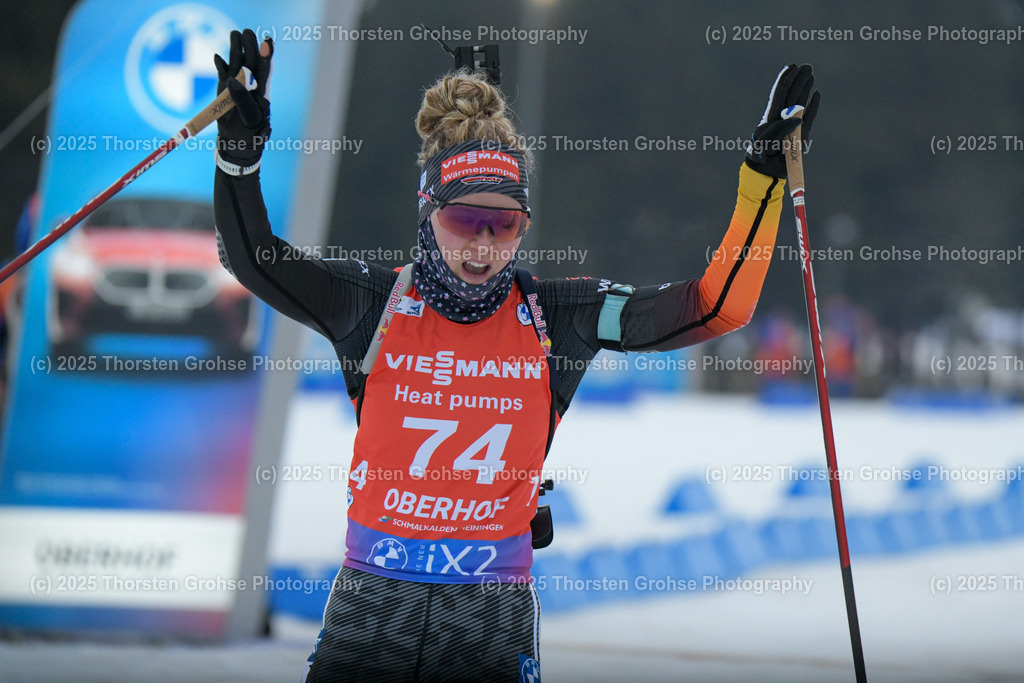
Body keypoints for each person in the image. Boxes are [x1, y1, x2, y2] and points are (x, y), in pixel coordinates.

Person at [213, 28, 819, 683]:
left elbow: (715, 306)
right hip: (372, 608)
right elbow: (254, 257)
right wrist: (238, 157)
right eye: (463, 221)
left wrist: (763, 181)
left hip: (489, 617)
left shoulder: (558, 316)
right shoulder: (371, 304)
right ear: (427, 213)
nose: (482, 245)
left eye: (504, 225)